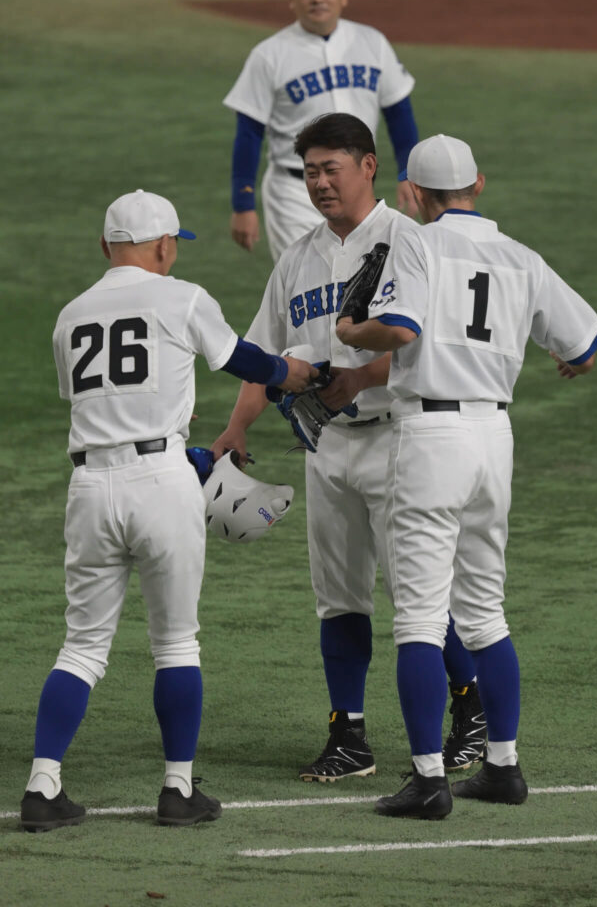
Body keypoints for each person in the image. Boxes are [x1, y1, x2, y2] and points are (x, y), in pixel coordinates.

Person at [20, 189, 316, 832]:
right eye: (173, 244)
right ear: (162, 246)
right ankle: (177, 789)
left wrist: (194, 459)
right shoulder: (182, 296)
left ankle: (42, 785)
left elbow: (107, 411)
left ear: (106, 247)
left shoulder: (70, 316)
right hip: (160, 481)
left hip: (91, 488)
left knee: (81, 647)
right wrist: (288, 371)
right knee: (176, 642)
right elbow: (242, 359)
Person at [336, 134, 597, 819]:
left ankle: (428, 780)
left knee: (422, 618)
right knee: (484, 612)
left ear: (413, 194)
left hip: (431, 437)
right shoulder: (521, 257)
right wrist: (567, 360)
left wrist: (349, 332)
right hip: (495, 438)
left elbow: (395, 330)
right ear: (477, 184)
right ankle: (503, 769)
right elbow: (584, 343)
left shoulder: (417, 243)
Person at [214, 113, 483, 783]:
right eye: (308, 172)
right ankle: (348, 737)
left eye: (330, 168)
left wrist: (360, 378)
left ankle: (469, 708)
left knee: (415, 593)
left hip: (403, 439)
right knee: (337, 598)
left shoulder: (412, 242)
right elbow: (268, 355)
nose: (318, 183)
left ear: (368, 166)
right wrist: (235, 426)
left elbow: (432, 346)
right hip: (328, 447)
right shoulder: (298, 256)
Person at [223, 0, 419, 263]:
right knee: (308, 282)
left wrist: (407, 172)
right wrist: (242, 202)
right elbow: (248, 132)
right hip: (294, 191)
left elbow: (399, 112)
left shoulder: (372, 43)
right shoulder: (269, 54)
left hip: (358, 184)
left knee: (362, 280)